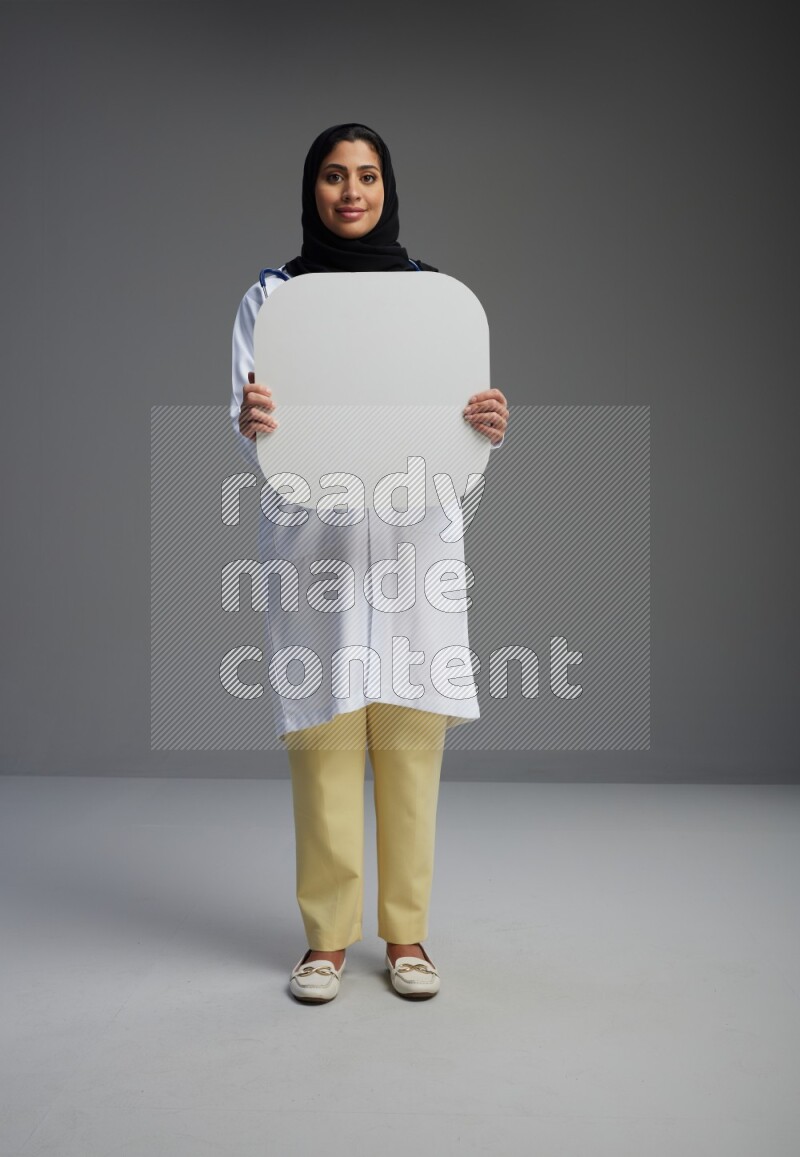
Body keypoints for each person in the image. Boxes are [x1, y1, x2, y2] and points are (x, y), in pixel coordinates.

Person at [230, 123, 510, 1002]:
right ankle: (324, 940)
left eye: (367, 176)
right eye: (333, 177)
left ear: (388, 188)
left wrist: (486, 426)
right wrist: (256, 424)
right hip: (315, 548)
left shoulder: (435, 299)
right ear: (310, 189)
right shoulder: (272, 298)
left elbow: (455, 431)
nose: (351, 192)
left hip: (412, 543)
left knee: (408, 738)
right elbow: (252, 427)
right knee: (323, 740)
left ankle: (408, 935)